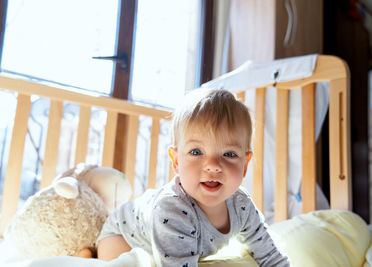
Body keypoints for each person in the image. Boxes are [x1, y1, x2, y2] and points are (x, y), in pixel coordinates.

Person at [97, 89, 290, 266]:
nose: (213, 165)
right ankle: (88, 254)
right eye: (197, 151)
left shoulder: (242, 206)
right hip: (122, 238)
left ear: (245, 164)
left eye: (229, 154)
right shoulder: (171, 209)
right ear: (176, 161)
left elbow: (271, 255)